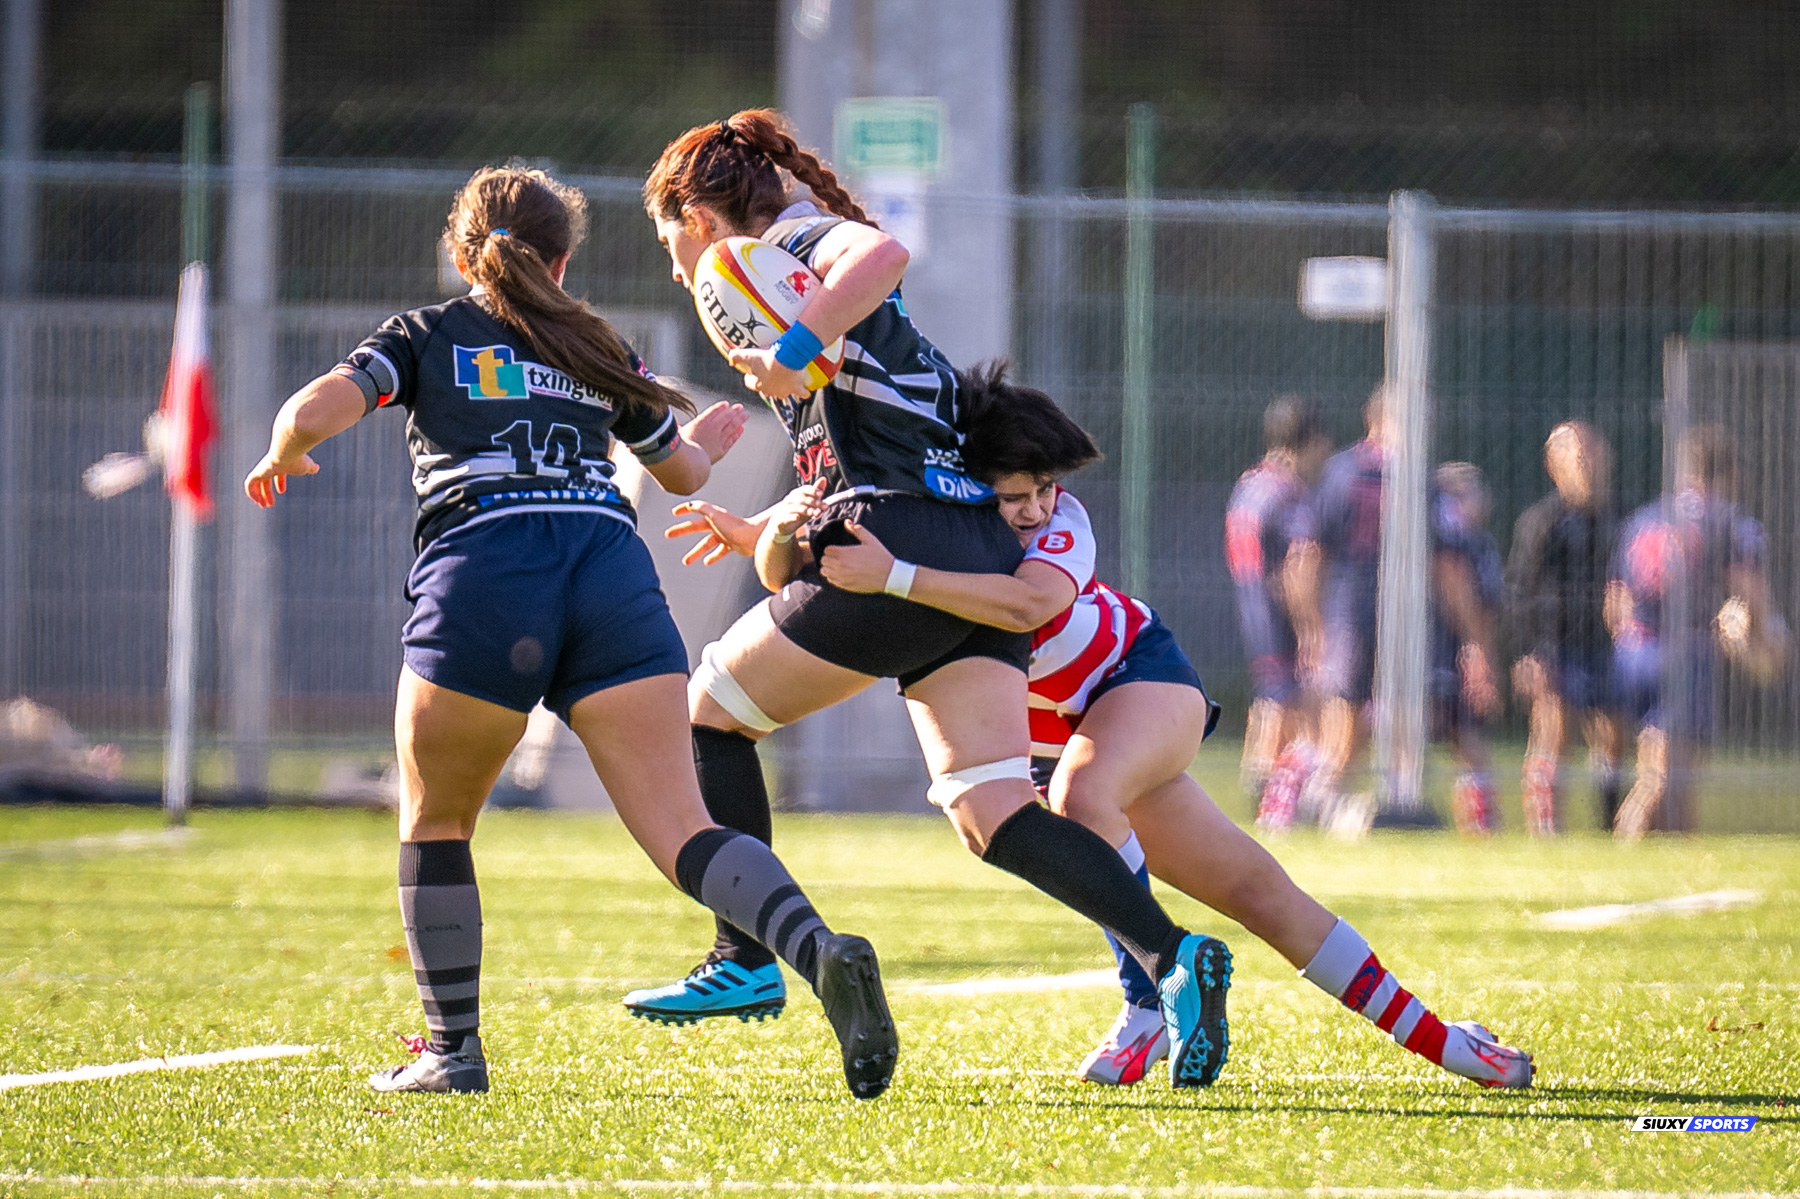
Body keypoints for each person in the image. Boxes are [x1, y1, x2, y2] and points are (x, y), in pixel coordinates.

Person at [669, 364, 1536, 1091]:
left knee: (1083, 794)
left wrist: (893, 576)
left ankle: (1149, 997)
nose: (1040, 507)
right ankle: (1449, 1043)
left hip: (1139, 678)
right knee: (1259, 892)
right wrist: (767, 532)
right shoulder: (935, 519)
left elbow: (1031, 601)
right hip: (1069, 739)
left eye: (1049, 487)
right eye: (1018, 492)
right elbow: (802, 567)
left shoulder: (1052, 530)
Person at [242, 165, 898, 1100]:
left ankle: (452, 1050)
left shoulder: (427, 333)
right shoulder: (594, 344)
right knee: (683, 827)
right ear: (561, 259)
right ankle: (820, 947)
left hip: (488, 569)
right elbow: (678, 476)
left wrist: (285, 450)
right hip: (608, 572)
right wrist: (701, 450)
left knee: (436, 818)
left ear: (464, 253)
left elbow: (316, 407)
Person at [629, 110, 1232, 1087]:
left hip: (896, 540)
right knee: (991, 803)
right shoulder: (792, 281)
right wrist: (763, 523)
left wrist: (798, 339)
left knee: (711, 714)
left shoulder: (793, 240)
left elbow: (884, 252)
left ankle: (743, 958)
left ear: (699, 212)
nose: (676, 269)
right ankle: (1172, 956)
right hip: (967, 546)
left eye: (672, 241)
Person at [1608, 426, 1787, 838]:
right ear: (1730, 474)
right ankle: (1622, 849)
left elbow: (1615, 599)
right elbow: (1747, 586)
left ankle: (1675, 866)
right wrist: (1766, 636)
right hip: (1683, 656)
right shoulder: (1728, 520)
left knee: (1666, 772)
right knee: (1664, 779)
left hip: (1633, 653)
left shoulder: (1645, 517)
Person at [1505, 422, 1623, 834]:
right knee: (1553, 735)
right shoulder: (1541, 523)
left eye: (1593, 454)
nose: (1587, 464)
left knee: (1612, 740)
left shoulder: (1619, 520)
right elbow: (1520, 592)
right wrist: (1529, 653)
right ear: (1554, 465)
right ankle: (1546, 831)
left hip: (1607, 649)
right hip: (1555, 649)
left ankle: (1612, 827)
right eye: (1576, 456)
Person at [1224, 396, 1331, 830]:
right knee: (1297, 706)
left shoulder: (1248, 485)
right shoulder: (1290, 494)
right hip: (1280, 616)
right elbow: (1297, 567)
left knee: (1270, 701)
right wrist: (1312, 629)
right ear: (1312, 440)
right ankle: (1280, 805)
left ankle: (1262, 795)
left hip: (1253, 612)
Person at [1307, 389, 1391, 827]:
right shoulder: (1346, 472)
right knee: (1345, 713)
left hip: (1400, 615)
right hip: (1351, 607)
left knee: (1378, 718)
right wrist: (1313, 627)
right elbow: (1311, 551)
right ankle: (1314, 804)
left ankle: (1346, 804)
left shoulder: (1418, 475)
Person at [1429, 463, 1504, 834]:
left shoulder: (1480, 544)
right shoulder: (1451, 543)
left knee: (1467, 739)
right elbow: (1456, 593)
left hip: (1462, 655)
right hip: (1443, 655)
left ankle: (1481, 825)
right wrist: (1476, 649)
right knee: (1461, 736)